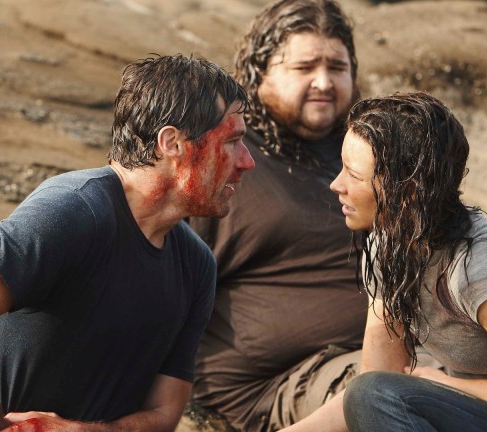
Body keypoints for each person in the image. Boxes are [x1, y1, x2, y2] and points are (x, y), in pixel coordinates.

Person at [0, 54, 255, 432]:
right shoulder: (75, 211)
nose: (247, 161)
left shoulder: (196, 264)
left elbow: (165, 413)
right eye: (233, 141)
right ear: (172, 143)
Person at [284, 91, 487, 432]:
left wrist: (444, 384)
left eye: (354, 174)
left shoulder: (478, 270)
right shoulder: (388, 246)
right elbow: (371, 388)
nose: (337, 184)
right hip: (483, 419)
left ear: (408, 191)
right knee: (371, 392)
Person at [186, 1, 368, 430]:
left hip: (393, 354)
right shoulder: (225, 162)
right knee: (410, 391)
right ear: (258, 74)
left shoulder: (368, 154)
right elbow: (149, 280)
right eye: (304, 67)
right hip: (275, 388)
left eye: (337, 67)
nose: (324, 82)